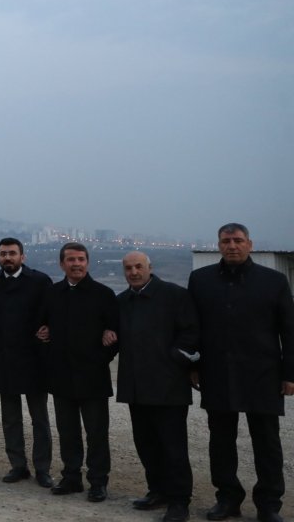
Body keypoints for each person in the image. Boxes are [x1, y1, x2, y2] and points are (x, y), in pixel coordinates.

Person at [189, 223, 294, 522]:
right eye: (226, 241)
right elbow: (192, 327)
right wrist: (194, 366)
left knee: (267, 443)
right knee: (220, 442)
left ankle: (269, 504)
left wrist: (290, 373)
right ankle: (227, 499)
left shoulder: (273, 281)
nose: (232, 246)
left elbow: (289, 331)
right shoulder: (200, 280)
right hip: (217, 372)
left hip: (264, 374)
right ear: (218, 245)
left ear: (249, 243)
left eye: (237, 240)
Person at [116, 251, 198, 522]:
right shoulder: (122, 301)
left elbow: (191, 333)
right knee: (146, 444)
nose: (134, 272)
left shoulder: (174, 295)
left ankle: (179, 501)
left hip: (169, 386)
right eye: (128, 268)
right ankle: (158, 491)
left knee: (173, 447)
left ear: (150, 267)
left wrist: (173, 358)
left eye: (139, 266)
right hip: (136, 388)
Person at [36, 242, 119, 502]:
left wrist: (99, 359)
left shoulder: (104, 294)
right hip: (61, 376)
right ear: (62, 264)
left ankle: (98, 481)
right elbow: (42, 327)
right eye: (71, 260)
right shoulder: (52, 293)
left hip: (93, 377)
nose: (76, 264)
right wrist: (43, 336)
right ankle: (71, 477)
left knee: (96, 434)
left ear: (88, 262)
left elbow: (115, 335)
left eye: (81, 259)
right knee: (68, 432)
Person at [0, 237, 54, 487]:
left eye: (12, 253)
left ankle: (43, 468)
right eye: (3, 254)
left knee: (40, 419)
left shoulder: (40, 281)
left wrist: (49, 331)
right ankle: (18, 465)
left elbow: (52, 314)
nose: (8, 258)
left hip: (36, 359)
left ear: (22, 257)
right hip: (5, 360)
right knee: (11, 418)